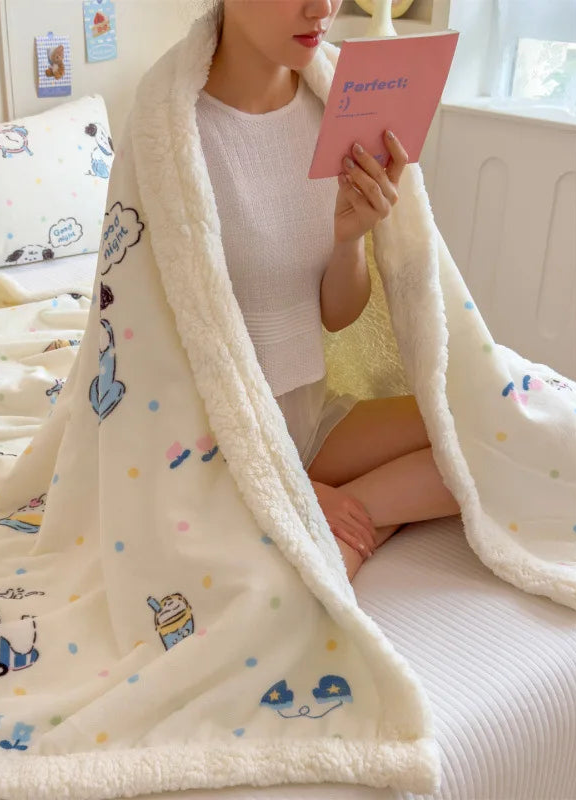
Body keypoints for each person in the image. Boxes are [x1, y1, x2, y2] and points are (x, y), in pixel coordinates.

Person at [195, 0, 461, 580]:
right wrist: (287, 481)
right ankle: (325, 517)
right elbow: (156, 366)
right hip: (217, 445)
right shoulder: (172, 135)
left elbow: (336, 317)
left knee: (484, 428)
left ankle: (346, 522)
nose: (323, 8)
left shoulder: (334, 107)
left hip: (310, 421)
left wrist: (350, 238)